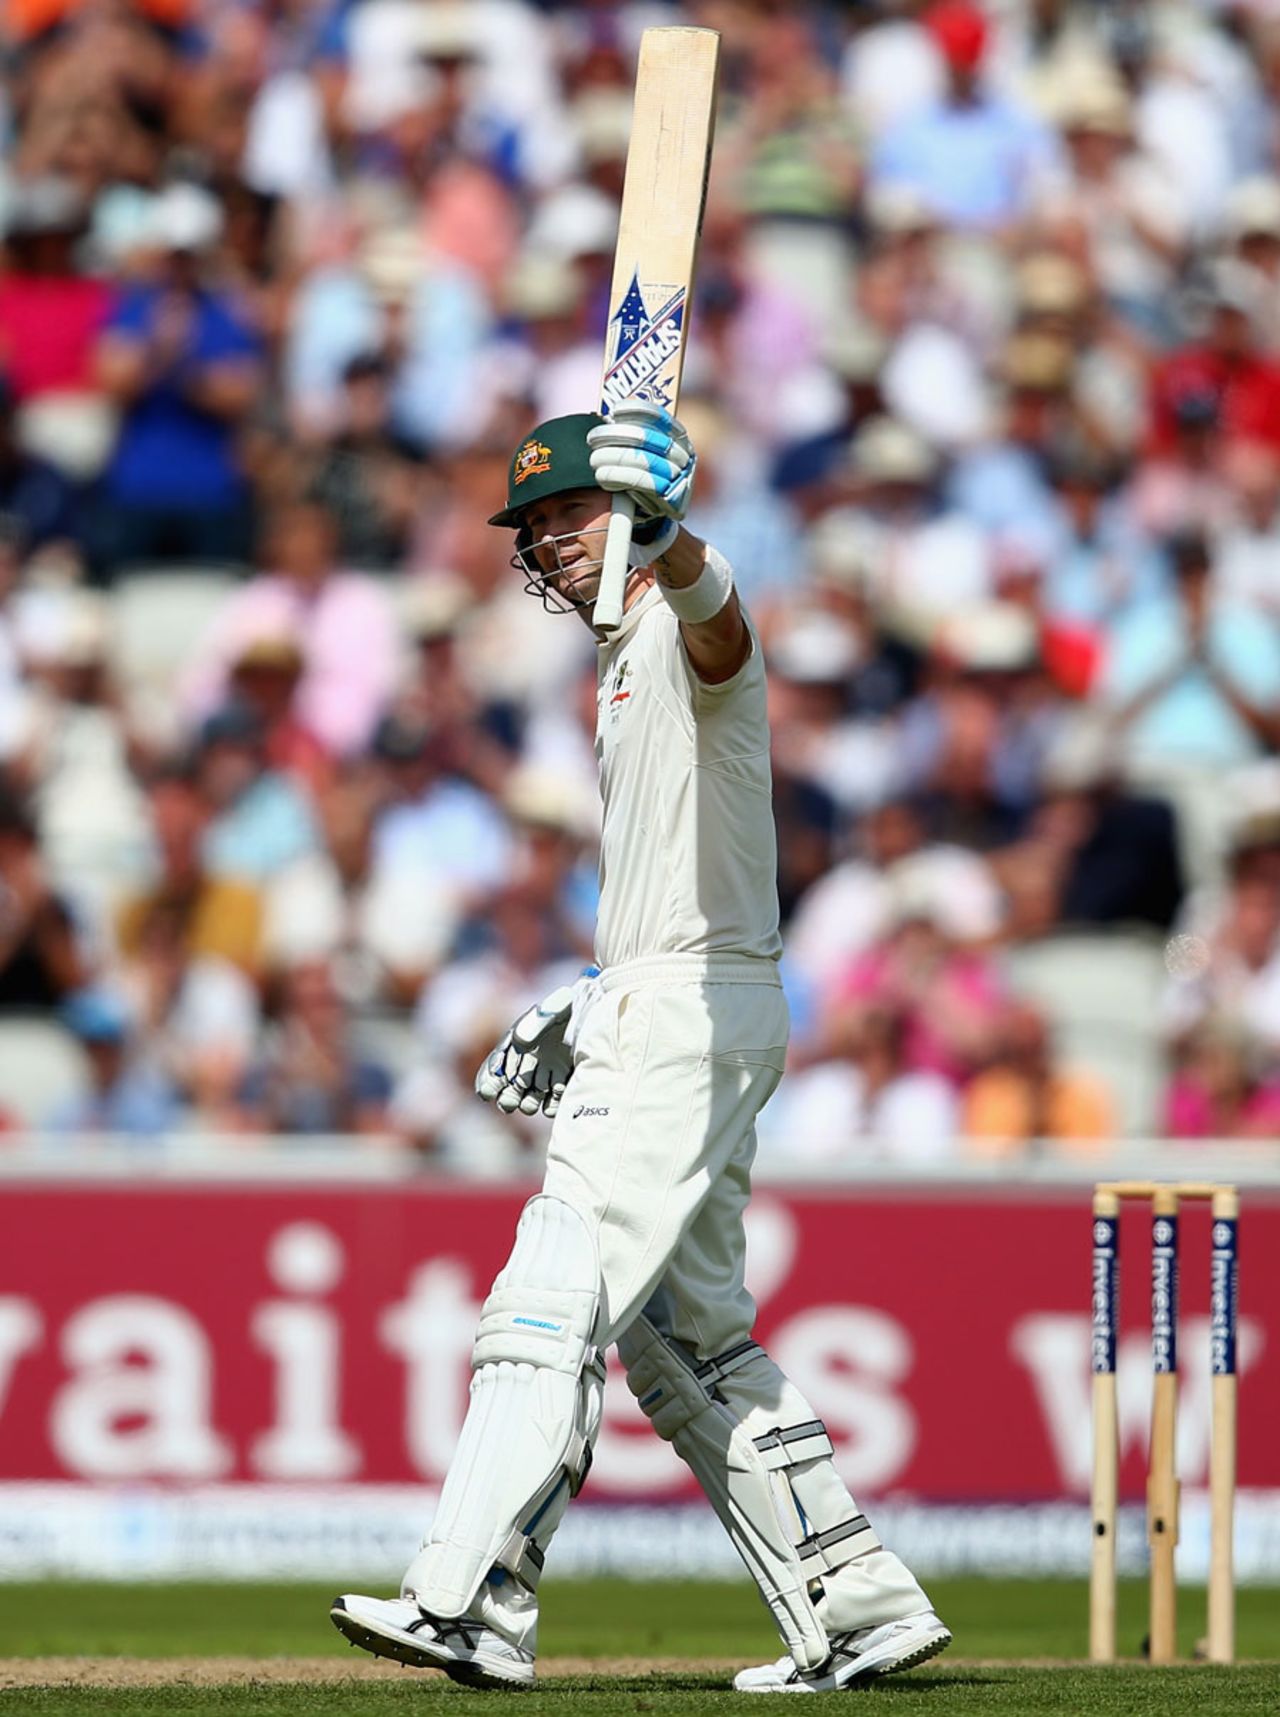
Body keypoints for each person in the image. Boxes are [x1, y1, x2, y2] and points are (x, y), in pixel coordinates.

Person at [330, 406, 951, 1690]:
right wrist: (595, 991)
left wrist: (674, 545)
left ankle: (472, 1597)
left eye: (568, 512)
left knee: (549, 1289)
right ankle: (854, 1602)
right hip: (676, 996)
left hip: (689, 1011)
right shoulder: (616, 657)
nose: (549, 541)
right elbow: (679, 879)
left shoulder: (674, 621)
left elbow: (725, 633)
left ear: (625, 515)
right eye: (536, 524)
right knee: (682, 1337)